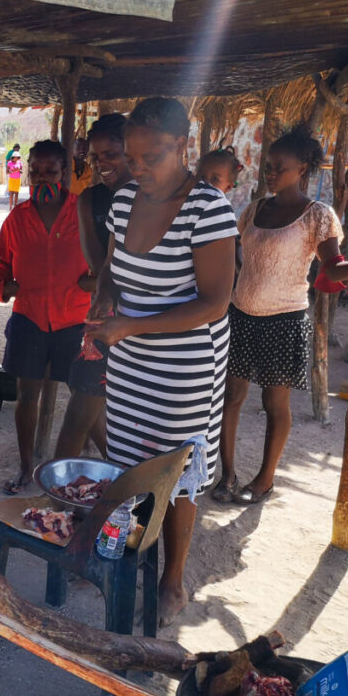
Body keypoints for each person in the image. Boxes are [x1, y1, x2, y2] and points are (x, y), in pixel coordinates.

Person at [85, 97, 238, 625]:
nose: (138, 168)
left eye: (151, 156)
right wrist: (105, 299)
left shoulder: (208, 209)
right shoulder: (124, 201)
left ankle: (172, 581)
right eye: (131, 157)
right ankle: (133, 556)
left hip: (184, 369)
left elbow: (215, 302)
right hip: (130, 362)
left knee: (176, 472)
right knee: (133, 462)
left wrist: (131, 325)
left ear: (182, 147)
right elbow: (111, 269)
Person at [214, 124, 348, 506]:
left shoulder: (317, 215)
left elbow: (331, 270)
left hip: (285, 318)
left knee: (274, 404)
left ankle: (264, 480)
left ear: (302, 169)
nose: (269, 173)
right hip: (241, 314)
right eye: (267, 166)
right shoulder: (254, 209)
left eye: (278, 167)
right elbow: (237, 259)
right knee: (231, 396)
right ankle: (228, 473)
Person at [0, 140, 92, 495]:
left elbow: (106, 261)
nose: (41, 177)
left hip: (73, 318)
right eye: (35, 171)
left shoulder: (83, 214)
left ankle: (91, 463)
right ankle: (25, 465)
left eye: (50, 171)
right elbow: (1, 263)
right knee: (26, 392)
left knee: (85, 391)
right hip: (29, 317)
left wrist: (93, 281)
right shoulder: (17, 219)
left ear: (65, 173)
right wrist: (4, 286)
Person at [55, 113, 130, 459]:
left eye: (111, 154)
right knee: (81, 407)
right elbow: (100, 266)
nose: (102, 164)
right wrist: (105, 286)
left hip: (148, 321)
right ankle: (58, 504)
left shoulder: (154, 199)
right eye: (96, 157)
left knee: (117, 413)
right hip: (106, 311)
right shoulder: (91, 200)